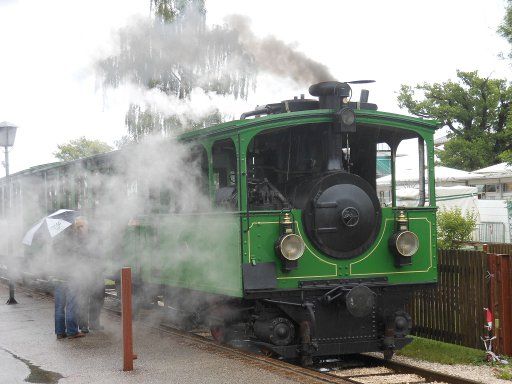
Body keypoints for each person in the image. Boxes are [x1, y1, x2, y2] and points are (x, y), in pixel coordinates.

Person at [52, 217, 88, 339]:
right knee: (72, 305)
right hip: (70, 276)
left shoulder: (57, 238)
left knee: (59, 306)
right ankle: (72, 331)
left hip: (58, 276)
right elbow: (79, 255)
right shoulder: (75, 239)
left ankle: (60, 332)